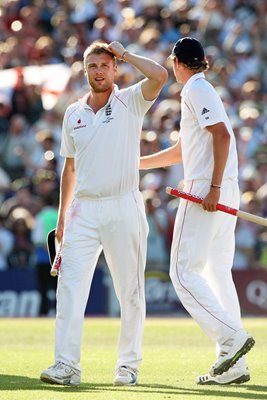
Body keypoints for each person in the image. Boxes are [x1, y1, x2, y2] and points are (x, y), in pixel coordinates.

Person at [40, 41, 167, 386]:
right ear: (85, 71)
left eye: (104, 65)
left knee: (130, 290)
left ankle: (127, 366)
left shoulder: (131, 100)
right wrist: (63, 216)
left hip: (123, 204)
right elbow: (69, 169)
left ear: (114, 70)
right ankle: (66, 366)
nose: (98, 71)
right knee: (69, 287)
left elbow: (160, 74)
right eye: (92, 66)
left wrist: (124, 53)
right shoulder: (73, 113)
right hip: (83, 209)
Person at [140, 37, 255, 385]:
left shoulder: (195, 90)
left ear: (177, 62)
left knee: (182, 273)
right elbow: (181, 150)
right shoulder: (199, 90)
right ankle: (233, 364)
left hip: (207, 189)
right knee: (217, 273)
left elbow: (221, 136)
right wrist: (135, 163)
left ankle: (231, 339)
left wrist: (214, 187)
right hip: (221, 188)